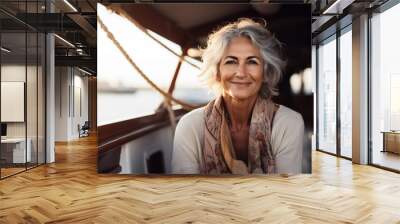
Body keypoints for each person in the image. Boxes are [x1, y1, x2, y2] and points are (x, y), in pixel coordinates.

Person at [171, 18, 304, 174]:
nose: (241, 73)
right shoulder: (190, 126)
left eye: (252, 62)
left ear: (265, 72)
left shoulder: (289, 123)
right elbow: (185, 192)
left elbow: (286, 192)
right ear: (217, 72)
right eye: (231, 61)